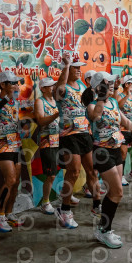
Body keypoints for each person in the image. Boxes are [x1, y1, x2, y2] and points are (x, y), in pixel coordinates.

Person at [85, 71, 132, 248]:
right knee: (117, 192)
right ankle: (104, 230)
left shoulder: (114, 102)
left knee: (114, 192)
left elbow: (125, 121)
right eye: (108, 83)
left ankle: (104, 228)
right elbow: (95, 117)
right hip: (102, 152)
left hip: (115, 150)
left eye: (112, 82)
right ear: (98, 87)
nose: (112, 84)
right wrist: (101, 97)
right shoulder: (92, 105)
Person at [54, 52, 94, 229]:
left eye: (80, 68)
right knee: (74, 172)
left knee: (92, 171)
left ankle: (98, 206)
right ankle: (64, 210)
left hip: (85, 133)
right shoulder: (62, 88)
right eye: (75, 68)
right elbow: (59, 90)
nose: (78, 70)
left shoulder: (82, 86)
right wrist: (66, 65)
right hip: (69, 135)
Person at [0, 70, 24, 233]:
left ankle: (9, 213)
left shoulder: (15, 102)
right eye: (13, 83)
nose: (16, 85)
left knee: (16, 182)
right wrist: (7, 98)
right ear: (3, 84)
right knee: (10, 179)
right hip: (2, 145)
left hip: (16, 144)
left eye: (17, 83)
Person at [33, 77, 61, 215]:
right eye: (50, 86)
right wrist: (57, 114)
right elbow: (41, 121)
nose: (53, 87)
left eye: (54, 85)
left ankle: (67, 195)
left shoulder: (57, 101)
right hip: (47, 141)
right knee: (51, 174)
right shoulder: (40, 101)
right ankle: (45, 202)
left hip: (60, 140)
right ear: (43, 89)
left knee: (68, 168)